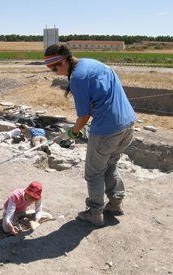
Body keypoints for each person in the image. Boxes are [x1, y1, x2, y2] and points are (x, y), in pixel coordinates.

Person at [44, 43, 137, 226]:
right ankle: (116, 203)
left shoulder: (78, 77)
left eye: (55, 67)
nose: (55, 72)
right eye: (50, 69)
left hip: (107, 130)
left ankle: (95, 213)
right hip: (127, 124)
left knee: (94, 173)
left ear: (64, 60)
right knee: (110, 165)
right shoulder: (93, 63)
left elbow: (84, 116)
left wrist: (73, 132)